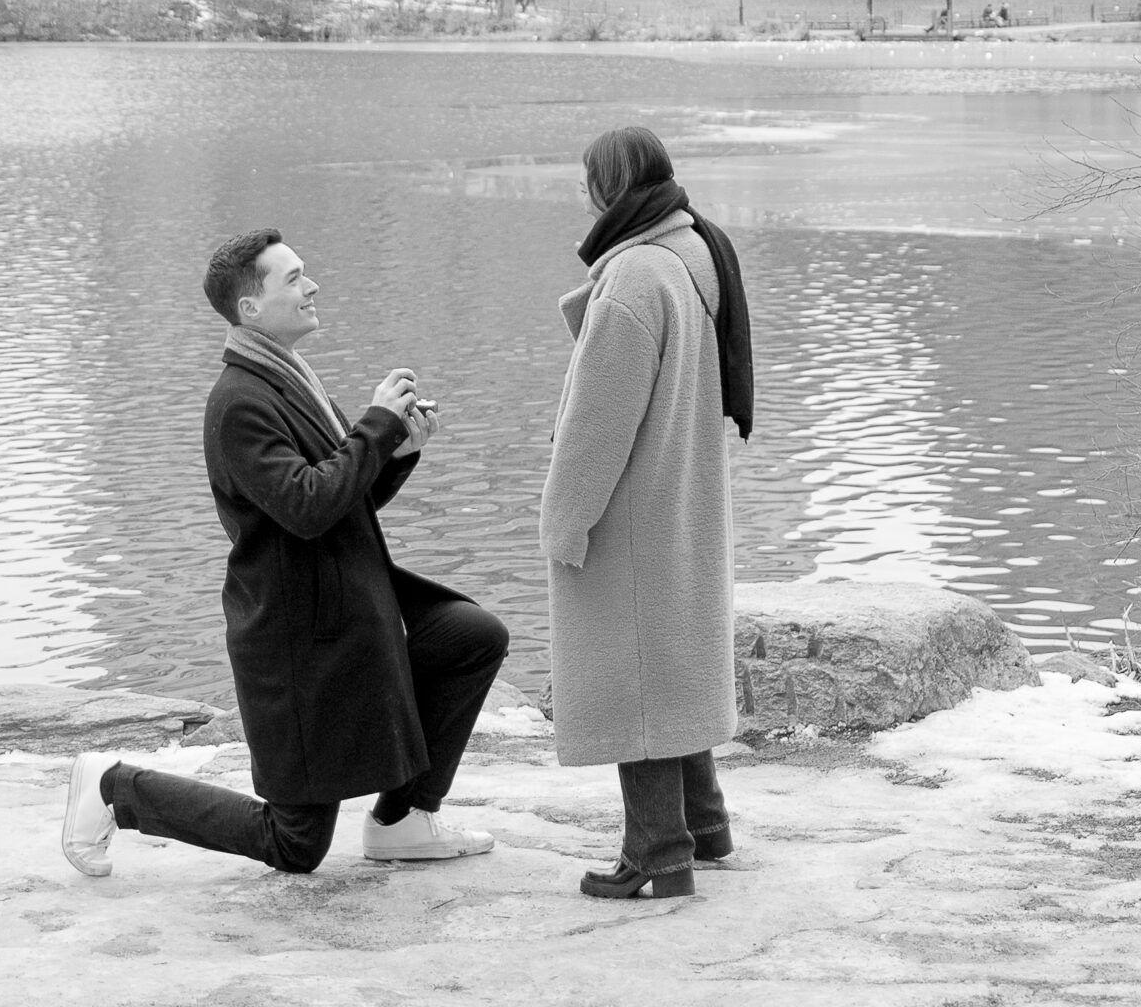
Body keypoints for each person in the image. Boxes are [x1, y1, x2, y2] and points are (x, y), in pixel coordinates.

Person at [62, 227, 507, 882]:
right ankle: (112, 786)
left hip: (346, 609)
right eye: (293, 278)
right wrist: (376, 427)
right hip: (299, 642)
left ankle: (402, 819)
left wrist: (394, 451)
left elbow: (338, 499)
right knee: (296, 845)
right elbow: (306, 505)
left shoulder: (287, 377)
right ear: (251, 309)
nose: (312, 285)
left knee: (469, 635)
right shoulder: (239, 403)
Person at [540, 125, 753, 900]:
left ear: (610, 188)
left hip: (636, 509)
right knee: (672, 666)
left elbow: (600, 425)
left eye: (587, 179)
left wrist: (564, 522)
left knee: (636, 681)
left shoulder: (633, 276)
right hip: (683, 497)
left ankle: (657, 855)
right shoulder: (694, 246)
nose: (582, 193)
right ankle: (705, 825)